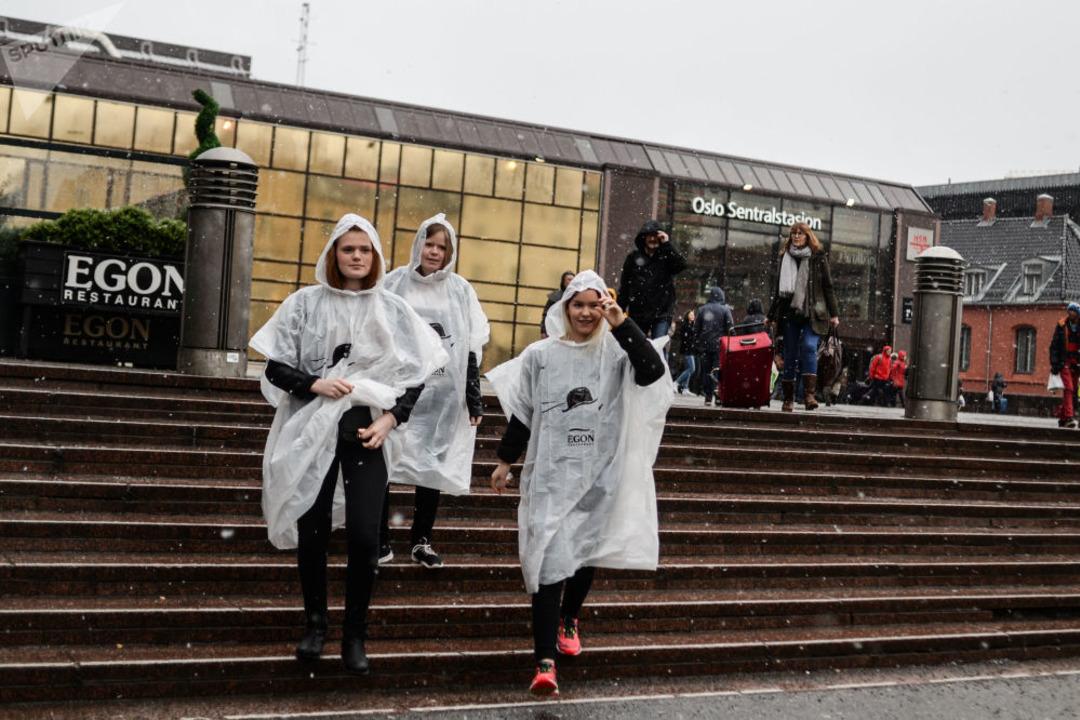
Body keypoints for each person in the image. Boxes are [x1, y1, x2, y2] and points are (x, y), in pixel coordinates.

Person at [249, 214, 448, 674]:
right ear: (334, 255)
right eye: (347, 249)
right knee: (312, 529)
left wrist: (391, 420)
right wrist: (314, 383)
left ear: (375, 256)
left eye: (364, 249)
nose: (356, 257)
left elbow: (417, 375)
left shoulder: (393, 309)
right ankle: (315, 624)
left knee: (363, 536)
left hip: (366, 433)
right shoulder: (305, 304)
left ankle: (354, 634)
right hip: (312, 431)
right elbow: (275, 367)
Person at [486, 270, 671, 697]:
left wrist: (620, 322)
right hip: (550, 474)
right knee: (549, 559)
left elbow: (651, 369)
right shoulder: (540, 355)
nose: (586, 313)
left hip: (597, 475)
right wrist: (504, 461)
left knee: (583, 557)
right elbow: (525, 413)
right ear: (564, 308)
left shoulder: (616, 354)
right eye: (578, 304)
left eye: (594, 304)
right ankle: (544, 661)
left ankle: (570, 616)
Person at [379, 214, 490, 569]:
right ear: (418, 244)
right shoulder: (395, 282)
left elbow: (471, 345)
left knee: (430, 468)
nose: (435, 252)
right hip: (397, 392)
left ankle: (421, 540)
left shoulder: (459, 290)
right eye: (429, 243)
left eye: (442, 247)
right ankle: (379, 537)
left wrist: (473, 395)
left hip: (442, 396)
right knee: (384, 462)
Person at [766, 223, 839, 412]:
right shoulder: (785, 257)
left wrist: (835, 314)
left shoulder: (818, 258)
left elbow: (828, 286)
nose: (797, 236)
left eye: (800, 233)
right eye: (793, 234)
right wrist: (771, 315)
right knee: (790, 354)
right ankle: (788, 399)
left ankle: (809, 395)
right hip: (790, 314)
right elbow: (778, 291)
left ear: (808, 236)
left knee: (808, 346)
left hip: (813, 314)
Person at [617, 220, 687, 339]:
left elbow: (681, 265)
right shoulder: (633, 258)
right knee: (637, 347)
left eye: (656, 236)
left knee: (658, 346)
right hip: (638, 312)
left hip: (662, 313)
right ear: (644, 238)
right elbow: (625, 286)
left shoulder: (666, 256)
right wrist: (619, 310)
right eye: (650, 236)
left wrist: (667, 244)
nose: (653, 239)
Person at [694, 287, 734, 406]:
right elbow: (730, 328)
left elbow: (696, 329)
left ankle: (708, 396)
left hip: (705, 345)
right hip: (720, 345)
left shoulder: (702, 309)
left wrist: (698, 343)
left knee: (706, 371)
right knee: (717, 370)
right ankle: (718, 394)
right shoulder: (725, 310)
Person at [1050, 302, 1080, 428]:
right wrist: (1055, 363)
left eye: (1072, 311)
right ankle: (1068, 417)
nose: (1070, 313)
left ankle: (1062, 418)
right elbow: (1054, 346)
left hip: (1076, 362)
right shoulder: (1062, 325)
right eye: (1069, 311)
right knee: (1069, 388)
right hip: (1065, 361)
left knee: (1073, 391)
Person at [540, 271, 575, 338]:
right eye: (569, 279)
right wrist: (543, 331)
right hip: (555, 329)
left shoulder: (576, 296)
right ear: (563, 281)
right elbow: (546, 314)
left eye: (573, 280)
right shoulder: (555, 297)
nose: (571, 282)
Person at [674, 309, 698, 394]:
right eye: (691, 314)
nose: (692, 316)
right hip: (687, 350)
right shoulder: (685, 325)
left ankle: (685, 388)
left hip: (690, 350)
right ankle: (676, 382)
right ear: (687, 315)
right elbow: (686, 338)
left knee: (688, 368)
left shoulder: (692, 325)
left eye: (693, 315)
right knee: (692, 369)